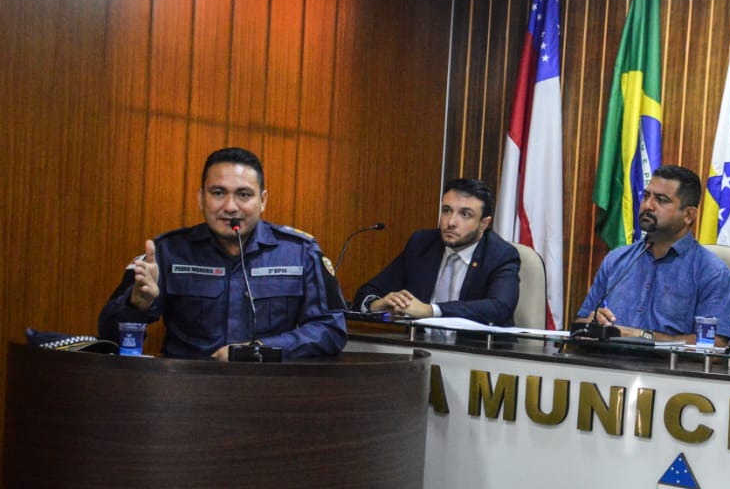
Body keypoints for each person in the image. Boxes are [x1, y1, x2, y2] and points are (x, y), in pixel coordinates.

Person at [99, 148, 347, 360]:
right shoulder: (167, 251)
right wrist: (136, 304)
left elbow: (331, 330)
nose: (230, 207)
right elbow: (107, 335)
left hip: (269, 387)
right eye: (218, 193)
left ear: (263, 200)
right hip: (186, 388)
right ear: (201, 198)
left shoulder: (299, 252)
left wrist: (256, 351)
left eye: (243, 194)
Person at [577, 165, 730, 345]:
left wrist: (641, 336)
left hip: (669, 363)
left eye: (661, 200)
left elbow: (716, 344)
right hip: (604, 361)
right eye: (646, 196)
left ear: (688, 215)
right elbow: (580, 323)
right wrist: (592, 323)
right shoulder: (617, 260)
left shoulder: (712, 272)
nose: (647, 205)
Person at [352, 178, 520, 326]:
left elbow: (499, 307)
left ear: (484, 224)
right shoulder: (422, 244)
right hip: (420, 346)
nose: (451, 222)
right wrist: (376, 305)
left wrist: (431, 310)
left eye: (465, 214)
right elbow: (369, 290)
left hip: (476, 349)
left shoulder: (501, 255)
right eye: (446, 210)